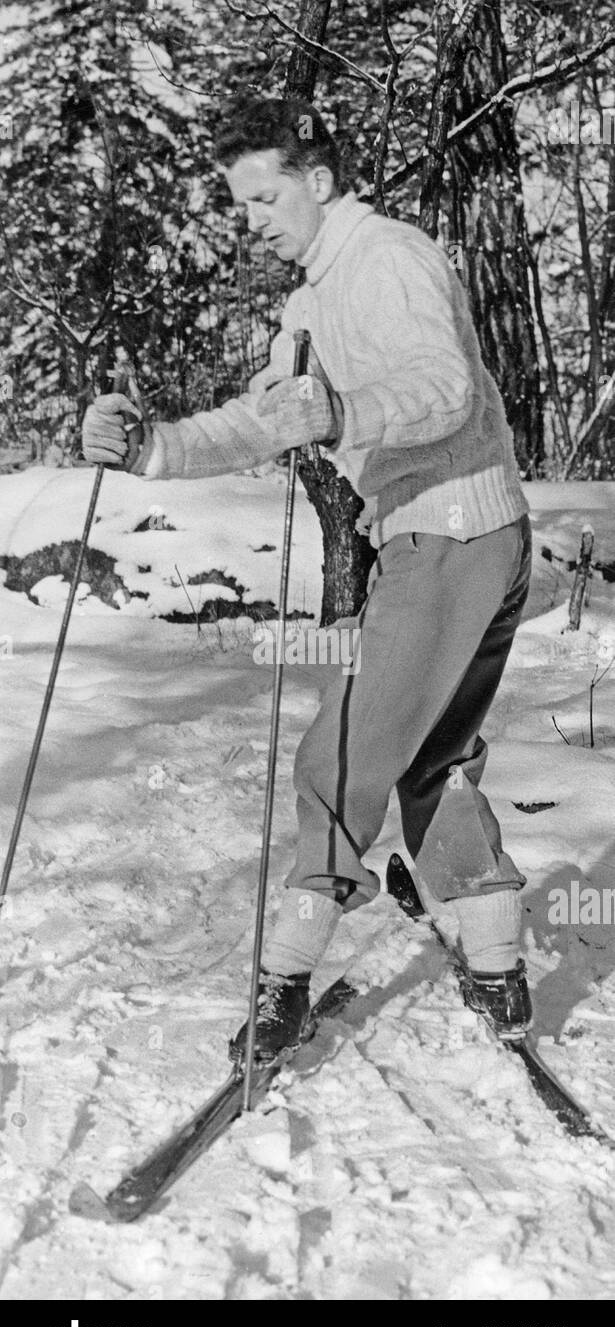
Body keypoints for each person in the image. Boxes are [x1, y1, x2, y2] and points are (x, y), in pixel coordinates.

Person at [82, 95, 533, 1062]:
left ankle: (284, 978)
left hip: (447, 533)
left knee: (337, 762)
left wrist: (340, 411)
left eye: (263, 197)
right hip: (465, 536)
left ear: (318, 181)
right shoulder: (309, 302)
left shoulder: (385, 257)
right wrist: (149, 447)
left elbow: (441, 387)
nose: (252, 220)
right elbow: (262, 421)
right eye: (238, 204)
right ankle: (497, 961)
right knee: (427, 753)